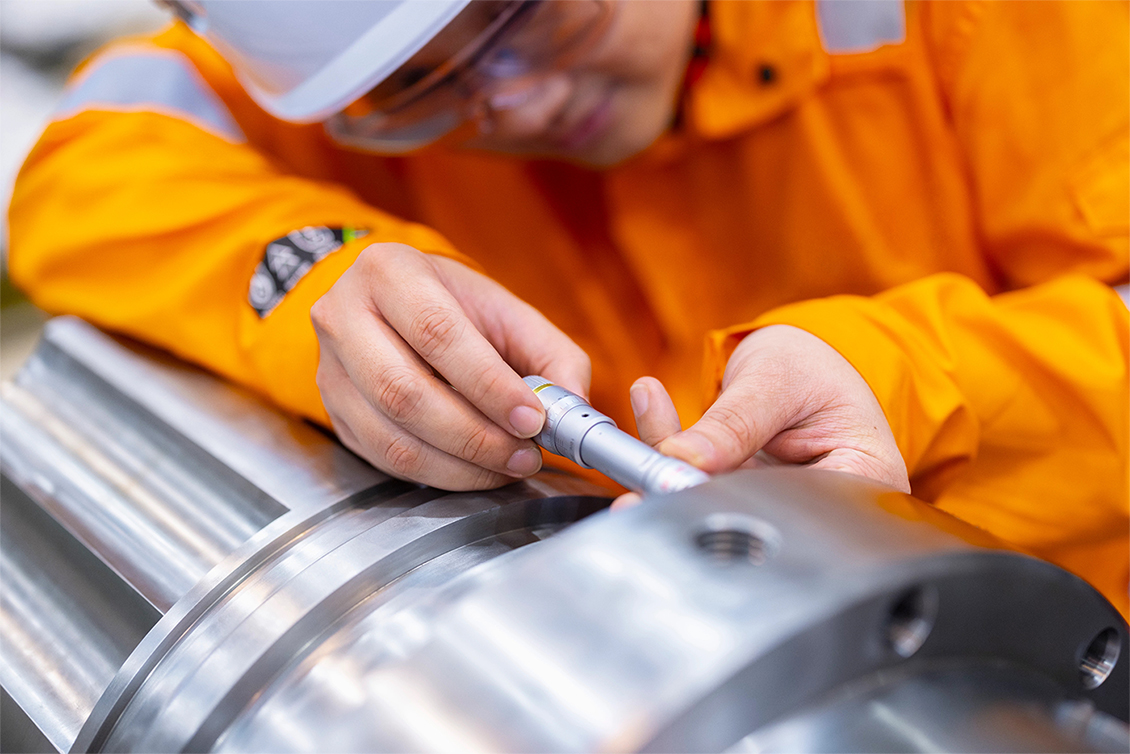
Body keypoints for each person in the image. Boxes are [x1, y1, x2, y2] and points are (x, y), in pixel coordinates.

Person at [7, 0, 1128, 617]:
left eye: (525, 11)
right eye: (411, 88)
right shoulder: (324, 60)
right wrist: (317, 274)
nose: (518, 104)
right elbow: (84, 163)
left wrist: (909, 389)